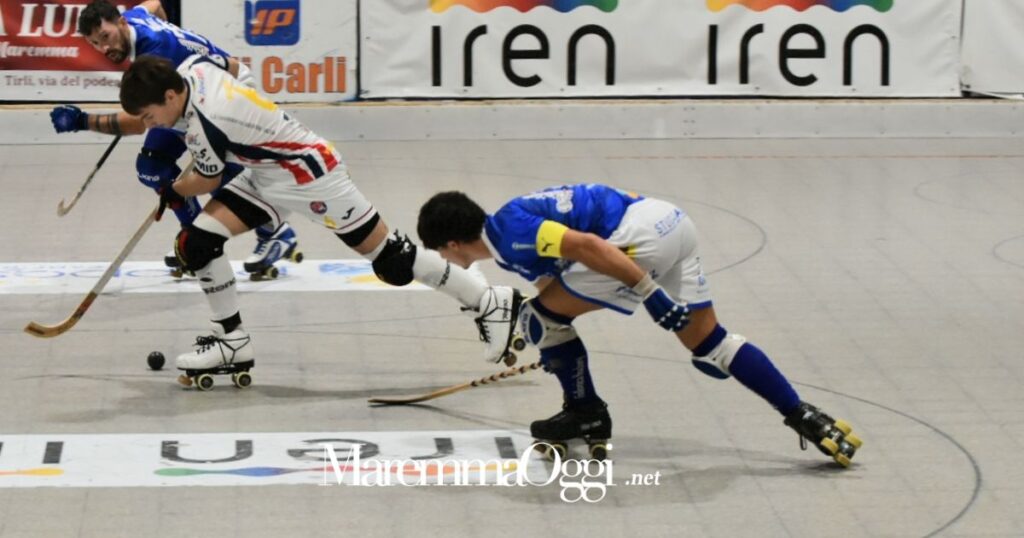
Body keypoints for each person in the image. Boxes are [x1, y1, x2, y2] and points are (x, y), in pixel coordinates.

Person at [117, 54, 521, 386]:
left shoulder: (207, 123)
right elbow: (237, 66)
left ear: (171, 96)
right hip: (266, 170)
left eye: (150, 117)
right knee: (198, 243)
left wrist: (172, 189)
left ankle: (488, 301)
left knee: (390, 260)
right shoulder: (194, 67)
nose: (150, 126)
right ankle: (232, 341)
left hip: (309, 174)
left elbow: (206, 178)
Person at [416, 184, 863, 466]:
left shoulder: (513, 233)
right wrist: (537, 332)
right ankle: (801, 413)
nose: (443, 260)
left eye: (440, 251)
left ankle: (586, 412)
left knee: (542, 321)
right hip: (673, 223)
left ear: (453, 243)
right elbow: (556, 287)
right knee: (710, 346)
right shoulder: (508, 232)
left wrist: (650, 295)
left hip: (639, 238)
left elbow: (589, 246)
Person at [48, 0, 300, 278]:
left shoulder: (154, 50)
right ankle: (194, 240)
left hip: (228, 92)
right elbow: (154, 4)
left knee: (215, 174)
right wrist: (173, 33)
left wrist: (82, 121)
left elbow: (137, 123)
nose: (104, 48)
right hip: (190, 92)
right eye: (95, 43)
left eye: (105, 37)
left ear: (120, 23)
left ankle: (274, 232)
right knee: (153, 167)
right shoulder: (134, 18)